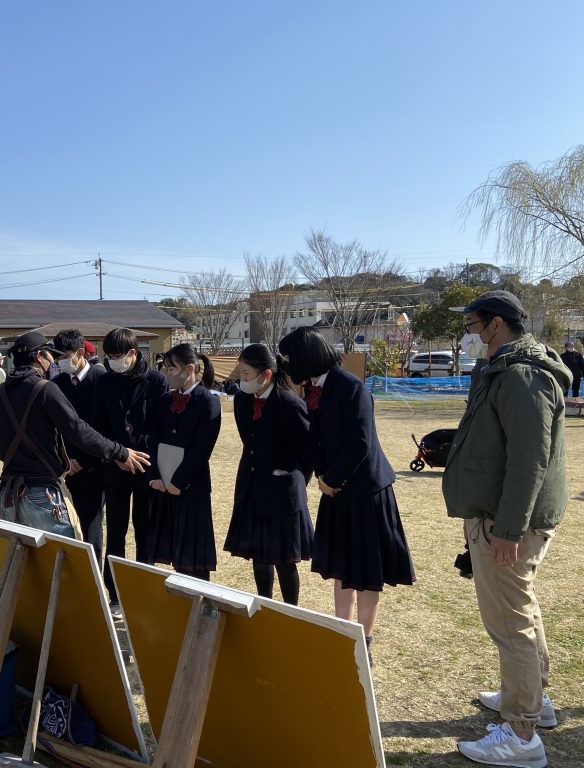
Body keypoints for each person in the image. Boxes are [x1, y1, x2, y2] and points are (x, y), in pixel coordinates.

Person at [444, 291, 570, 767]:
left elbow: (528, 461)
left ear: (495, 325)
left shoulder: (522, 377)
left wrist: (508, 529)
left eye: (472, 325)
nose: (469, 335)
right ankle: (535, 699)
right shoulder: (504, 371)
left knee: (509, 620)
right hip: (498, 514)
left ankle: (522, 736)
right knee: (521, 608)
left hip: (509, 520)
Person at [278, 327, 414, 664]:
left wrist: (332, 478)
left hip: (366, 492)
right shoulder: (313, 387)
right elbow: (316, 440)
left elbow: (360, 443)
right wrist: (323, 477)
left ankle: (363, 640)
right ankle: (343, 630)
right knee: (342, 565)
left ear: (305, 356)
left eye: (288, 358)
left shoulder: (351, 387)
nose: (286, 364)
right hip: (336, 490)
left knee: (367, 569)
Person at [0, 331, 149, 542]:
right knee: (66, 565)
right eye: (51, 356)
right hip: (41, 494)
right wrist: (120, 452)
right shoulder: (46, 389)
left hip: (9, 496)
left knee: (26, 569)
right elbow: (78, 430)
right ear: (39, 357)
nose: (54, 362)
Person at [224, 344, 313, 605]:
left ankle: (290, 612)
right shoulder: (242, 400)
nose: (242, 379)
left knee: (284, 560)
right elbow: (248, 441)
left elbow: (307, 452)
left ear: (266, 375)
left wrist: (295, 481)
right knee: (259, 556)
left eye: (247, 373)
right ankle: (264, 605)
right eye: (240, 372)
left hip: (282, 492)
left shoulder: (289, 403)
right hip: (252, 485)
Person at [92, 328, 167, 615]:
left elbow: (160, 426)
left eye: (116, 356)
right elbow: (97, 424)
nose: (112, 360)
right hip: (115, 464)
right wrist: (119, 455)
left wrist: (138, 454)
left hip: (147, 465)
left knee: (145, 530)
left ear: (133, 354)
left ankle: (143, 587)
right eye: (108, 356)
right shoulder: (105, 382)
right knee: (116, 530)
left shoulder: (157, 381)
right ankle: (114, 592)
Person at [146, 344, 221, 581]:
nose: (166, 373)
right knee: (173, 548)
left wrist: (179, 480)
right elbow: (153, 437)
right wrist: (154, 476)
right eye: (165, 368)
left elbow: (202, 448)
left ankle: (199, 602)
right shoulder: (165, 399)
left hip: (190, 486)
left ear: (189, 369)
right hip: (163, 484)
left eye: (171, 368)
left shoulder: (208, 401)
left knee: (194, 554)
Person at [52, 329, 107, 562]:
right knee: (64, 527)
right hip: (65, 469)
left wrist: (82, 460)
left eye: (64, 355)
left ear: (81, 352)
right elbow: (54, 427)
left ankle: (94, 584)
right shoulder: (57, 384)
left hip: (94, 466)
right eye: (56, 357)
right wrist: (65, 460)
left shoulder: (100, 380)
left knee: (91, 526)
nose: (60, 361)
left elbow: (102, 428)